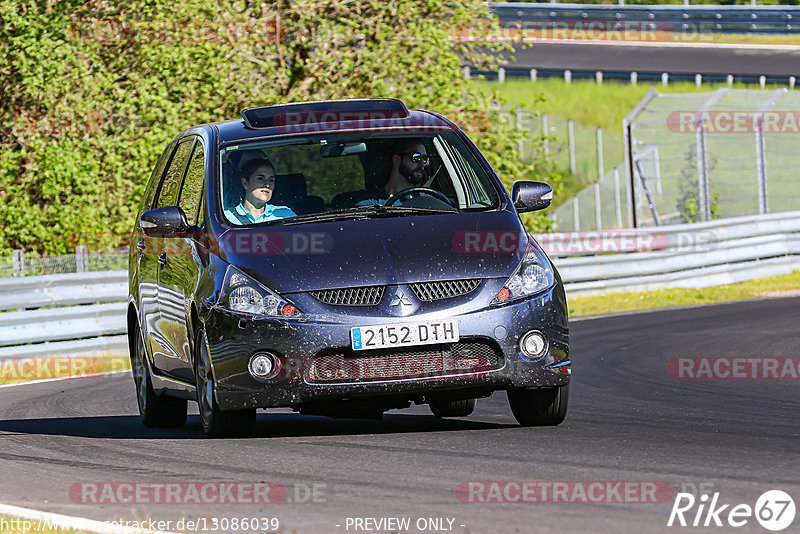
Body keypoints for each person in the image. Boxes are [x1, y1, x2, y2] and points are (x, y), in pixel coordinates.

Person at [357, 139, 430, 206]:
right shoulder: (370, 204)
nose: (422, 164)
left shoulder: (429, 201)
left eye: (424, 159)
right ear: (397, 160)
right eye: (416, 157)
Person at [224, 158, 296, 224]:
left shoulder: (285, 214)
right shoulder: (227, 218)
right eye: (260, 179)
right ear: (245, 183)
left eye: (271, 180)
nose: (267, 184)